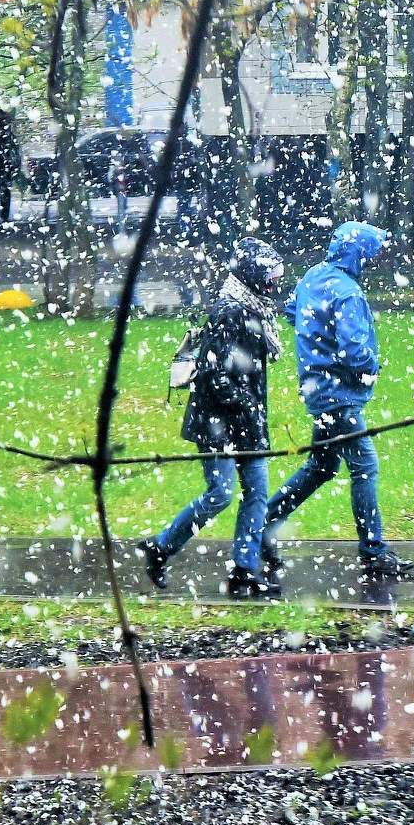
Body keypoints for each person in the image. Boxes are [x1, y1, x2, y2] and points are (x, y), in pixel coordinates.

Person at [263, 222, 414, 577]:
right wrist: (371, 367)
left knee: (321, 467)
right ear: (358, 254)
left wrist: (316, 338)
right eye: (370, 255)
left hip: (317, 390)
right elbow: (354, 352)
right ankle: (373, 551)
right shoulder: (348, 294)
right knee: (365, 468)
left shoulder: (314, 276)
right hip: (339, 396)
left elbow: (293, 310)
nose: (372, 261)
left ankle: (262, 524)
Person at [139, 236, 286, 598]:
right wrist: (245, 406)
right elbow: (215, 374)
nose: (275, 284)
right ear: (253, 275)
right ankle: (161, 547)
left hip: (247, 422)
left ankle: (244, 570)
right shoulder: (229, 311)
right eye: (270, 276)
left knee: (256, 493)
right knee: (220, 494)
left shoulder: (256, 308)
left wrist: (251, 411)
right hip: (217, 423)